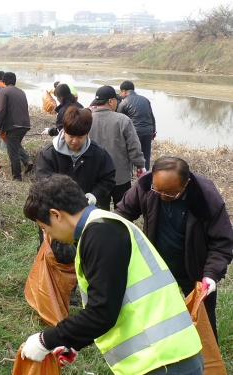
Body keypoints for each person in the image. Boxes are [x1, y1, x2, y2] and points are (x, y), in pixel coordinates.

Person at [21, 174, 203, 375]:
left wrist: (44, 340)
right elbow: (114, 303)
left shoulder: (101, 234)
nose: (49, 236)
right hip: (164, 357)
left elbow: (102, 312)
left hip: (162, 361)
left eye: (45, 228)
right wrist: (72, 341)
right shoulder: (104, 227)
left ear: (56, 215)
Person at [116, 156, 233, 341]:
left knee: (203, 323)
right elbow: (122, 214)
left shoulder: (206, 196)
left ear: (186, 183)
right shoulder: (147, 185)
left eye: (170, 193)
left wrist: (211, 274)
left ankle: (207, 364)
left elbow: (222, 242)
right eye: (158, 190)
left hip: (195, 270)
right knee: (156, 319)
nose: (162, 196)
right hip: (157, 268)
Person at [36, 106, 115, 304]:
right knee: (55, 251)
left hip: (86, 214)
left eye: (80, 137)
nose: (74, 141)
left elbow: (107, 179)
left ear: (87, 133)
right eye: (71, 135)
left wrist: (94, 195)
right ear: (63, 130)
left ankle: (83, 286)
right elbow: (43, 182)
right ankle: (57, 289)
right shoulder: (49, 153)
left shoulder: (98, 154)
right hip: (56, 214)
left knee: (86, 250)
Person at [89, 85, 145, 210]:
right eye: (116, 100)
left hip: (97, 177)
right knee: (123, 209)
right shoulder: (123, 120)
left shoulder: (87, 119)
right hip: (120, 176)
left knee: (100, 211)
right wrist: (140, 165)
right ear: (110, 101)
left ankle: (102, 229)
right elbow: (134, 146)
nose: (117, 103)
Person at [0, 72, 33, 181]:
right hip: (25, 124)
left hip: (14, 125)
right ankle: (27, 160)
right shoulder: (21, 91)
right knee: (15, 144)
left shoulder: (4, 91)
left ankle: (17, 177)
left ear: (4, 82)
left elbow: (0, 110)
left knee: (12, 152)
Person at [117, 80, 156, 171]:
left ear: (124, 91)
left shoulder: (124, 102)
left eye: (121, 92)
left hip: (134, 132)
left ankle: (129, 174)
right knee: (146, 154)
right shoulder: (145, 99)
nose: (120, 94)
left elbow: (119, 119)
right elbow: (152, 117)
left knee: (130, 153)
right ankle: (145, 174)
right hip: (148, 131)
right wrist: (153, 131)